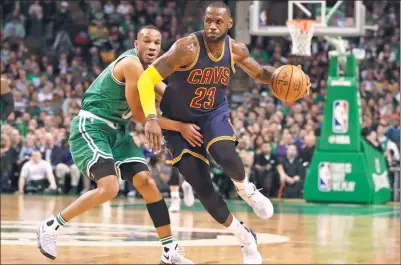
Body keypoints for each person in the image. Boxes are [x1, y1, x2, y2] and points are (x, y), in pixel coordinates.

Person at [137, 2, 309, 263]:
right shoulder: (186, 48)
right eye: (208, 20)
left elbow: (262, 73)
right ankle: (245, 238)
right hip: (178, 121)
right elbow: (146, 79)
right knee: (203, 189)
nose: (212, 26)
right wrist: (152, 118)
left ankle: (246, 189)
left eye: (218, 21)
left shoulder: (236, 49)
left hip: (212, 114)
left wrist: (293, 80)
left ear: (229, 24)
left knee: (224, 152)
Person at [37, 25, 200, 264]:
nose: (153, 46)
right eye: (147, 41)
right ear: (136, 45)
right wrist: (179, 126)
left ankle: (168, 252)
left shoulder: (150, 71)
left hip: (119, 133)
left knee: (147, 182)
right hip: (93, 126)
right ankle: (50, 226)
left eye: (157, 42)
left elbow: (170, 98)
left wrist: (202, 113)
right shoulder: (131, 64)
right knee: (109, 188)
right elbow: (138, 114)